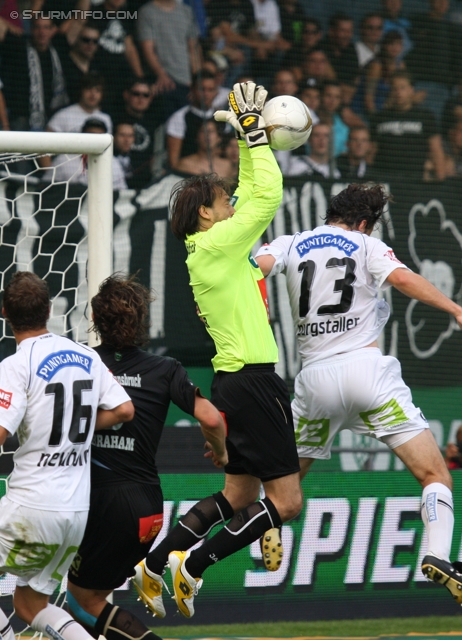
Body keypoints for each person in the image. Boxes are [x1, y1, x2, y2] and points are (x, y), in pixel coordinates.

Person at [133, 81, 302, 619]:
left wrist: (247, 143)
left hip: (236, 381)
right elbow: (269, 198)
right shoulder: (214, 246)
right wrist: (254, 135)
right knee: (287, 503)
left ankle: (155, 564)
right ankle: (195, 564)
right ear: (206, 215)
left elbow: (253, 195)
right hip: (253, 381)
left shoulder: (210, 247)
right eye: (222, 201)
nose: (232, 204)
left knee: (236, 495)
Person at [255, 182, 462, 605]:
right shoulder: (367, 246)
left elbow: (254, 267)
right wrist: (455, 308)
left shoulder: (291, 242)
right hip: (368, 374)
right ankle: (438, 555)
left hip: (314, 381)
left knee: (284, 486)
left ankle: (267, 524)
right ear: (365, 222)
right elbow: (403, 279)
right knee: (434, 475)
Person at [66, 274, 227, 638]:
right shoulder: (165, 369)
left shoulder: (84, 362)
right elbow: (212, 418)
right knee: (95, 602)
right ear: (141, 321)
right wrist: (220, 454)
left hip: (102, 502)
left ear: (97, 320)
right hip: (149, 508)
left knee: (79, 602)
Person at [0, 271, 133, 640]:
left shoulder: (15, 366)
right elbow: (124, 410)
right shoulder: (84, 354)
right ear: (48, 310)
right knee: (30, 605)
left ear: (4, 312)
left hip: (32, 504)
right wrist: (84, 427)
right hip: (74, 513)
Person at [369, 71, 446, 181]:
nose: (398, 92)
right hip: (384, 178)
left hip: (414, 179)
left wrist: (441, 179)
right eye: (395, 88)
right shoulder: (379, 118)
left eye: (403, 88)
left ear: (411, 90)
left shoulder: (425, 116)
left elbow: (436, 149)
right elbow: (372, 150)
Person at [0, 16, 69, 131]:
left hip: (50, 121)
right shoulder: (18, 47)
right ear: (31, 29)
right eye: (37, 27)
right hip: (19, 120)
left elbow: (80, 19)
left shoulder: (59, 49)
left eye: (46, 28)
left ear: (53, 30)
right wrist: (12, 27)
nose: (42, 32)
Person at [165, 70, 218, 170]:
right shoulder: (179, 118)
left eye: (210, 90)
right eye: (202, 89)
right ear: (192, 90)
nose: (206, 94)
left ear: (216, 92)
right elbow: (173, 162)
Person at [46, 72, 112, 134]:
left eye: (98, 90)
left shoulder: (106, 119)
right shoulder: (64, 115)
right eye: (89, 89)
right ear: (81, 91)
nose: (93, 95)